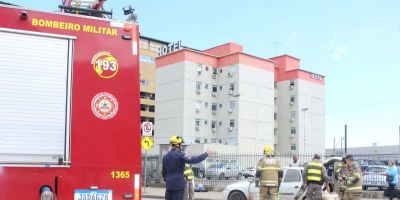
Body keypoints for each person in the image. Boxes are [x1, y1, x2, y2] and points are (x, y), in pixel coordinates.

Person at [162, 135, 211, 200]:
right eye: (180, 144)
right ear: (177, 145)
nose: (181, 145)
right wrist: (206, 154)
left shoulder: (165, 157)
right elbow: (194, 160)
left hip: (169, 185)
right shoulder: (180, 155)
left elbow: (164, 172)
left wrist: (168, 179)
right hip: (178, 185)